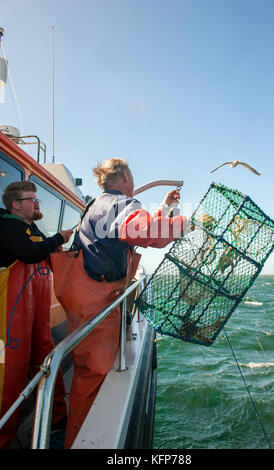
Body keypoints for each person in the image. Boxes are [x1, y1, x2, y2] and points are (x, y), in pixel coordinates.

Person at [59, 158, 188, 448]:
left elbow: (132, 226)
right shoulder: (119, 203)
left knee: (85, 368)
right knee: (93, 375)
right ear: (127, 177)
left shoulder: (100, 204)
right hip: (97, 301)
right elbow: (141, 231)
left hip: (84, 296)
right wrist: (187, 224)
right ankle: (79, 440)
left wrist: (165, 209)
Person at [0, 180, 73, 449]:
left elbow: (44, 251)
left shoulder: (31, 228)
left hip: (37, 315)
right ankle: (4, 437)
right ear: (16, 205)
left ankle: (56, 419)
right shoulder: (8, 226)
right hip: (10, 318)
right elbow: (29, 253)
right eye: (32, 199)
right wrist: (58, 239)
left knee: (46, 359)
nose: (37, 203)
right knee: (11, 374)